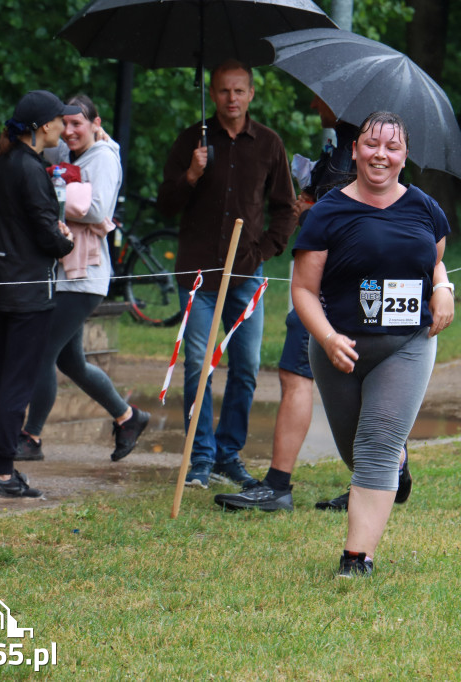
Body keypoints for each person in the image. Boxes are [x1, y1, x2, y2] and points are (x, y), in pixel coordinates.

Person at [290, 111, 455, 577]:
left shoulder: (425, 208)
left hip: (407, 344)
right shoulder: (327, 212)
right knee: (355, 452)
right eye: (371, 144)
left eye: (392, 147)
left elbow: (434, 264)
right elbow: (303, 289)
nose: (380, 154)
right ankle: (399, 461)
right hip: (339, 348)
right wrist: (327, 337)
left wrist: (444, 289)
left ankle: (356, 557)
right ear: (357, 150)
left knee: (376, 447)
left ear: (405, 156)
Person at [213, 95, 357, 511]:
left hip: (326, 287)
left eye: (320, 98)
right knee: (361, 384)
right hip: (347, 286)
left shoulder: (351, 153)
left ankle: (278, 487)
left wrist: (308, 212)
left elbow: (341, 224)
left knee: (297, 375)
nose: (316, 105)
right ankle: (387, 474)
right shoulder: (354, 147)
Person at [157, 59, 296, 490]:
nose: (231, 99)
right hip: (198, 275)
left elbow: (285, 208)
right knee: (198, 364)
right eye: (223, 91)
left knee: (247, 366)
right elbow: (164, 204)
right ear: (212, 93)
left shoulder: (269, 144)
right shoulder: (191, 141)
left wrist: (264, 251)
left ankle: (227, 455)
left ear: (251, 94)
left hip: (246, 276)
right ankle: (199, 459)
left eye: (239, 91)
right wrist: (191, 175)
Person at [16, 95, 150, 463]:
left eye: (78, 124)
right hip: (64, 273)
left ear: (96, 123)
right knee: (70, 361)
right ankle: (128, 417)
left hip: (85, 277)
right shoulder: (68, 154)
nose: (70, 131)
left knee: (44, 352)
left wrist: (57, 193)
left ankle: (32, 437)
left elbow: (97, 209)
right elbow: (39, 156)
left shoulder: (103, 158)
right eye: (66, 123)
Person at [0, 90, 78, 500]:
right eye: (60, 120)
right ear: (42, 127)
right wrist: (65, 241)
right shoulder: (31, 169)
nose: (65, 127)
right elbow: (44, 231)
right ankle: (3, 474)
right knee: (16, 384)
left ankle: (3, 469)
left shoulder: (3, 162)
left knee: (6, 379)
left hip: (1, 287)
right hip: (26, 293)